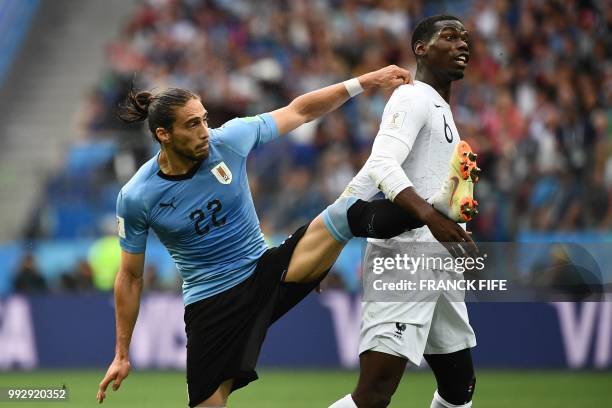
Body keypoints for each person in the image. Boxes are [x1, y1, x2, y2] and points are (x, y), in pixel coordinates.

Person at [96, 64, 475, 407]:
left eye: (204, 119)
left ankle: (437, 203)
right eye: (192, 125)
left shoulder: (229, 140)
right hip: (213, 304)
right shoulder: (137, 197)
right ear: (163, 134)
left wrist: (366, 81)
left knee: (346, 214)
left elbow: (300, 110)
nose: (205, 132)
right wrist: (122, 353)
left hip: (268, 270)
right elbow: (129, 277)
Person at [330, 15, 479, 408]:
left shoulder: (439, 107)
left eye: (465, 38)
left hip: (437, 260)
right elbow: (382, 165)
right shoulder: (412, 97)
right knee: (375, 392)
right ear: (421, 49)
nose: (462, 44)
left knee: (458, 386)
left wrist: (452, 225)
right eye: (450, 37)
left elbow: (366, 177)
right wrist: (432, 219)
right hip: (404, 258)